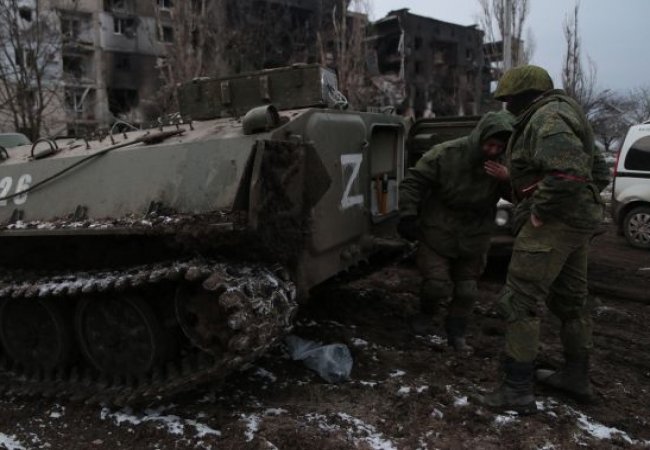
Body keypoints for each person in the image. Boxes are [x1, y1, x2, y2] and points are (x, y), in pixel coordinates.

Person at [478, 65, 610, 414]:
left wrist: (542, 210)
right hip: (575, 223)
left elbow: (568, 173)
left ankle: (517, 390)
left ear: (524, 96)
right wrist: (580, 204)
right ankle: (576, 377)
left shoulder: (547, 118)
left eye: (509, 99)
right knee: (571, 301)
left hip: (554, 223)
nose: (507, 106)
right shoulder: (567, 113)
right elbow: (597, 172)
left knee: (519, 301)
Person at [398, 111, 514, 352]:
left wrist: (507, 179)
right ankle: (425, 314)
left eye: (498, 147)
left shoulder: (505, 163)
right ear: (480, 138)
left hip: (475, 233)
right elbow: (414, 182)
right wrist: (407, 214)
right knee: (436, 285)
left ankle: (457, 331)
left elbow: (521, 195)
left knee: (467, 290)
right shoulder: (446, 153)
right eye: (489, 144)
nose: (493, 151)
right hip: (439, 228)